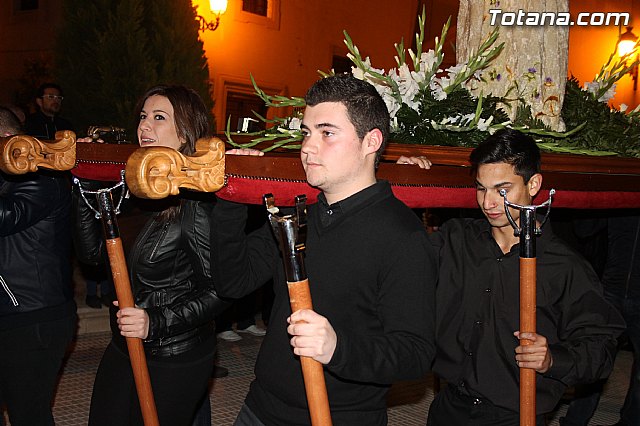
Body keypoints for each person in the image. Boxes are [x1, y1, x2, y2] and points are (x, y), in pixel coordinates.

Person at [210, 73, 438, 425]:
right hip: (260, 408)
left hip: (339, 417)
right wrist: (231, 201)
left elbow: (415, 354)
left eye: (327, 133)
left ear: (370, 141)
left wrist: (337, 348)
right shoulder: (299, 217)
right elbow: (232, 283)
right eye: (306, 132)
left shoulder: (402, 236)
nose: (308, 147)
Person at [399, 128, 625, 425]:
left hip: (517, 413)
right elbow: (402, 260)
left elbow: (602, 345)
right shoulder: (456, 239)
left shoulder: (564, 265)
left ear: (533, 184)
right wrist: (403, 187)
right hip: (450, 405)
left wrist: (553, 358)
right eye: (481, 188)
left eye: (502, 190)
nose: (489, 202)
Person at [73, 85, 232, 425]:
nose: (145, 125)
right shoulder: (132, 186)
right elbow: (94, 255)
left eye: (159, 118)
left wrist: (155, 321)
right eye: (143, 116)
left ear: (186, 131)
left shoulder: (196, 202)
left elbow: (221, 290)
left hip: (175, 351)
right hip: (125, 343)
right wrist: (86, 182)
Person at [0, 106, 77, 425]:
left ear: (6, 139)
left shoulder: (42, 172)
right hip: (11, 311)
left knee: (28, 414)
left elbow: (6, 218)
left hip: (33, 319)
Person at [560, 212, 640, 426]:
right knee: (596, 359)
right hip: (612, 289)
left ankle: (631, 421)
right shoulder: (625, 195)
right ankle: (575, 421)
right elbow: (584, 229)